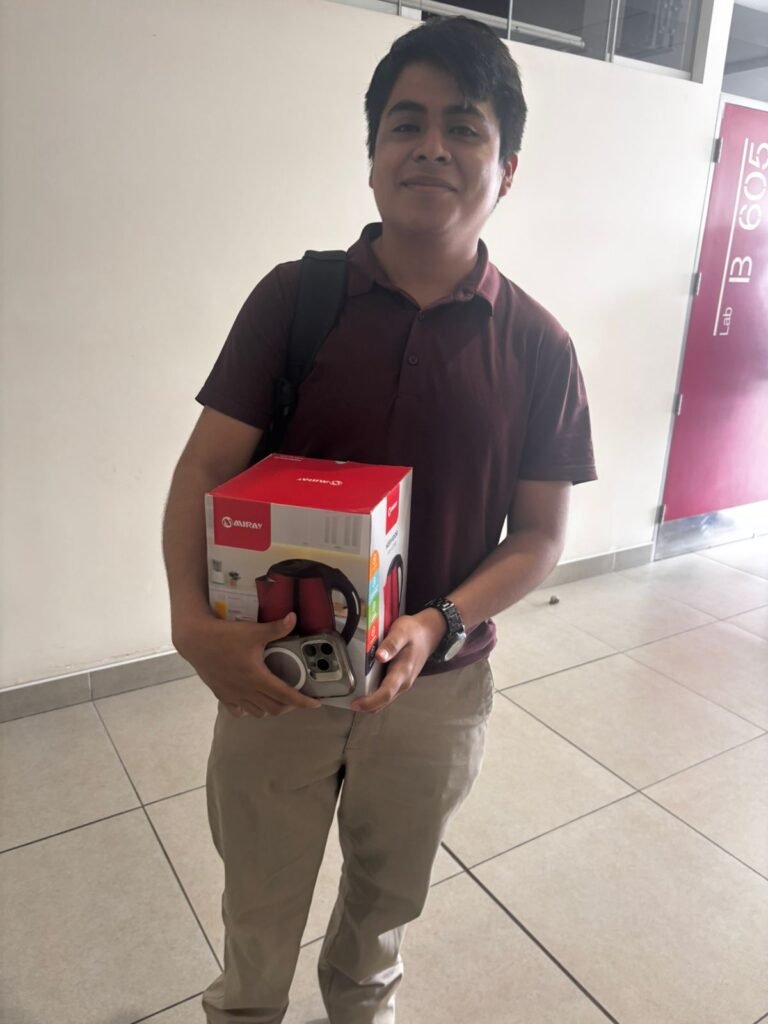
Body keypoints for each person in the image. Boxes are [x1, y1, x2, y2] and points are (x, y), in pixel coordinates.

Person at [162, 14, 596, 1024]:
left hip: (436, 689)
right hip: (275, 672)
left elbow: (541, 535)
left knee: (385, 902)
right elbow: (203, 470)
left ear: (507, 168)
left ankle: (361, 1006)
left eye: (464, 126)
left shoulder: (540, 347)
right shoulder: (294, 300)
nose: (431, 146)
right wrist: (189, 624)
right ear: (371, 160)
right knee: (258, 897)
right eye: (406, 124)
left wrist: (440, 620)